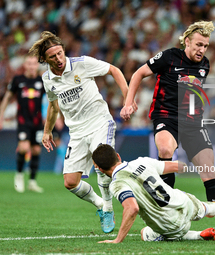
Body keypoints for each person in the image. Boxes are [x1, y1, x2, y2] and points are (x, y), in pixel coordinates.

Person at [120, 21, 215, 225]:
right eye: (198, 44)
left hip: (193, 122)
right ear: (187, 41)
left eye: (205, 46)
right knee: (166, 150)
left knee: (207, 168)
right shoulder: (169, 57)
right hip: (166, 116)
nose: (201, 50)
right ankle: (167, 215)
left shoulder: (205, 65)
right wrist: (128, 102)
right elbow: (138, 74)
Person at [28, 31, 135, 233]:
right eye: (53, 56)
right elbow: (53, 106)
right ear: (44, 59)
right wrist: (47, 131)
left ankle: (109, 207)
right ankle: (101, 205)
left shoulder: (81, 63)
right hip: (76, 131)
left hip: (99, 122)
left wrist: (127, 99)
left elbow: (114, 70)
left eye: (60, 53)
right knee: (70, 182)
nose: (59, 59)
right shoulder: (47, 78)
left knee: (102, 165)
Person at [92, 144, 215, 243]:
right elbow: (179, 166)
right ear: (118, 156)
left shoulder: (117, 184)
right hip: (185, 202)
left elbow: (132, 208)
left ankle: (197, 236)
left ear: (100, 169)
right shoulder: (142, 161)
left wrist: (118, 239)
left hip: (171, 225)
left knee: (145, 233)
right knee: (196, 205)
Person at [0, 55, 45, 193]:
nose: (31, 66)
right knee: (24, 148)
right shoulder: (18, 80)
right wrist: (1, 118)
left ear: (37, 65)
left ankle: (32, 181)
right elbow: (6, 99)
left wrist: (56, 117)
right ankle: (19, 176)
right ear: (25, 65)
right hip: (23, 122)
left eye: (34, 63)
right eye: (29, 63)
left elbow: (52, 99)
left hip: (37, 122)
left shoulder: (42, 80)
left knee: (36, 150)